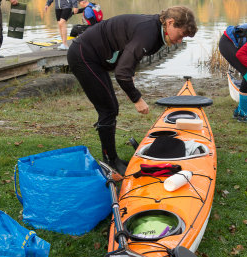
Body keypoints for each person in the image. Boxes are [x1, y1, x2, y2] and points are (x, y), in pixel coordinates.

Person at [67, 6, 197, 175]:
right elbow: (121, 73)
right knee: (108, 108)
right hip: (84, 55)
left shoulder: (156, 30)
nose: (180, 41)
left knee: (110, 107)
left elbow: (128, 52)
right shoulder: (149, 33)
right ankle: (110, 161)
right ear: (170, 23)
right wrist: (137, 99)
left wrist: (130, 72)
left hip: (96, 56)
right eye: (181, 35)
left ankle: (111, 158)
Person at [219, 23, 247, 123]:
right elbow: (241, 54)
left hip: (245, 49)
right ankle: (243, 115)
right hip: (228, 43)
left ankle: (239, 110)